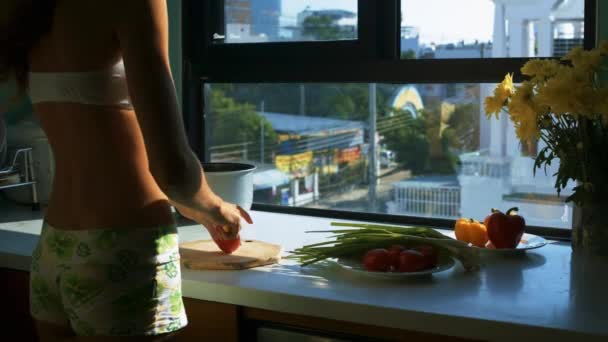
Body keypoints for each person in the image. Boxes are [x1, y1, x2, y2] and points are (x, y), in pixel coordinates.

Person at [0, 0, 253, 340]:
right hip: (123, 247)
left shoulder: (26, 8)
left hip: (54, 246)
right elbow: (174, 172)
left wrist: (195, 207)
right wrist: (216, 207)